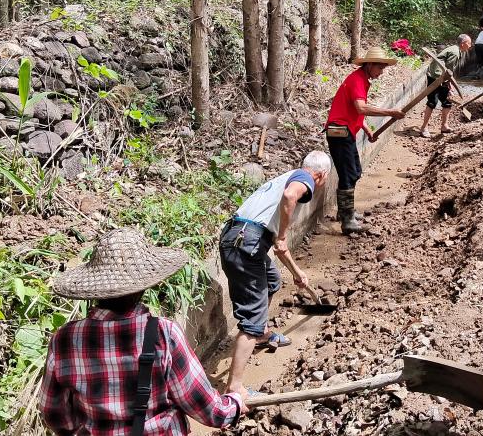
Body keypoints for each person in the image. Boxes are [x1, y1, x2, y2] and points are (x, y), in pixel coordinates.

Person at [41, 228, 248, 435]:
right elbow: (209, 411)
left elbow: (55, 416)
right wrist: (235, 402)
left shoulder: (64, 339)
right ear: (143, 287)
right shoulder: (164, 333)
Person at [220, 151, 332, 394]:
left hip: (240, 236)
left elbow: (279, 247)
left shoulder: (284, 179)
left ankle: (261, 334)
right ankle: (235, 388)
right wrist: (282, 235)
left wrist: (297, 272)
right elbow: (290, 198)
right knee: (251, 317)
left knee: (272, 279)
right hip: (246, 243)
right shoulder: (304, 179)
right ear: (322, 175)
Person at [325, 46, 405, 234]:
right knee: (348, 174)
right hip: (340, 132)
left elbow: (355, 111)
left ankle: (345, 211)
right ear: (369, 65)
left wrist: (368, 130)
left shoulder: (361, 80)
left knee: (354, 172)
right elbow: (361, 108)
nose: (381, 72)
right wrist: (390, 112)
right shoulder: (356, 80)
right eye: (380, 68)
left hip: (346, 131)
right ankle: (347, 221)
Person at [420, 34, 472, 137]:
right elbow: (448, 70)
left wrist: (449, 84)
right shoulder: (455, 52)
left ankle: (444, 126)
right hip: (435, 76)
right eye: (469, 43)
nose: (470, 46)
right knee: (432, 102)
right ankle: (424, 128)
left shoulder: (456, 50)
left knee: (447, 101)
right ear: (463, 44)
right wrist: (448, 83)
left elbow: (448, 72)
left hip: (442, 76)